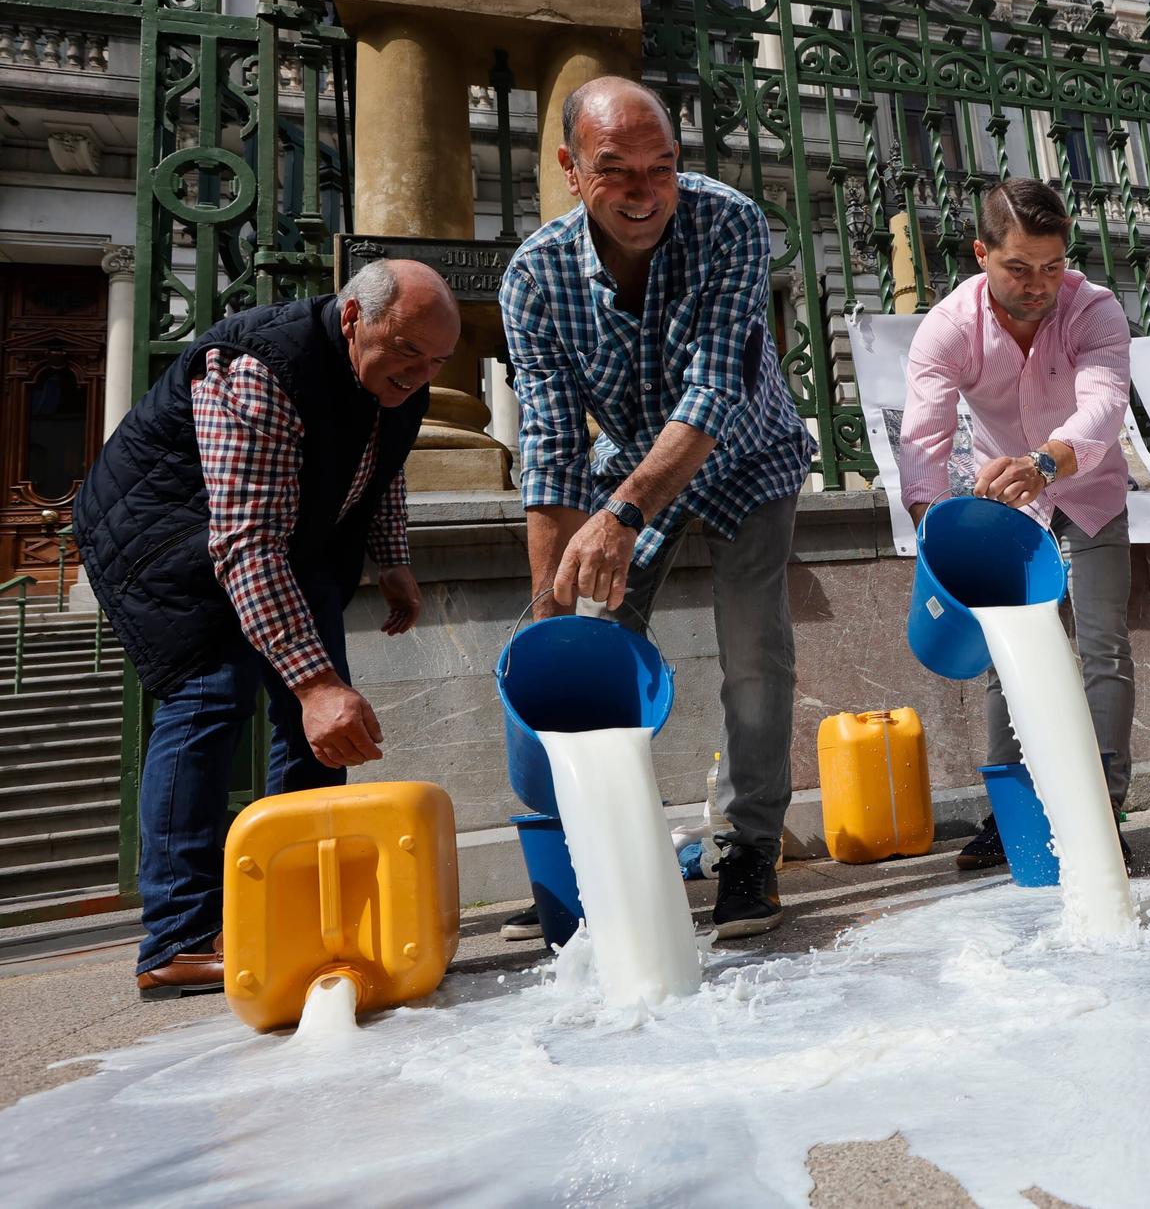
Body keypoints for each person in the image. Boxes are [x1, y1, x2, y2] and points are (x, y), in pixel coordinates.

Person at [75, 259, 460, 999]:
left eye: (439, 360)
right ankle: (177, 936)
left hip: (293, 536)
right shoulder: (258, 368)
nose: (420, 373)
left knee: (323, 722)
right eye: (408, 352)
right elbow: (244, 541)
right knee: (212, 694)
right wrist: (311, 681)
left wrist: (394, 561)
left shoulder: (401, 376)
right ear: (355, 319)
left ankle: (301, 908)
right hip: (166, 536)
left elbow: (381, 461)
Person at [499, 76, 814, 939]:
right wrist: (551, 611)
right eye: (616, 171)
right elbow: (553, 449)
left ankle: (749, 849)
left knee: (753, 650)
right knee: (588, 643)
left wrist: (622, 515)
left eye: (661, 167)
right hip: (633, 469)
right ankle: (594, 856)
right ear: (570, 169)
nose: (644, 193)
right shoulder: (534, 278)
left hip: (748, 455)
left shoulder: (730, 224)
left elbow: (716, 392)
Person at [899, 178, 1139, 870]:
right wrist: (933, 534)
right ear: (981, 253)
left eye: (1053, 266)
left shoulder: (1093, 311)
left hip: (1090, 490)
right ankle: (1009, 816)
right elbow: (923, 441)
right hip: (1009, 509)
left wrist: (1043, 462)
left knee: (1104, 646)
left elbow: (1104, 406)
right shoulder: (947, 327)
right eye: (1019, 268)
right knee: (1009, 654)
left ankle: (1105, 808)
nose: (1040, 285)